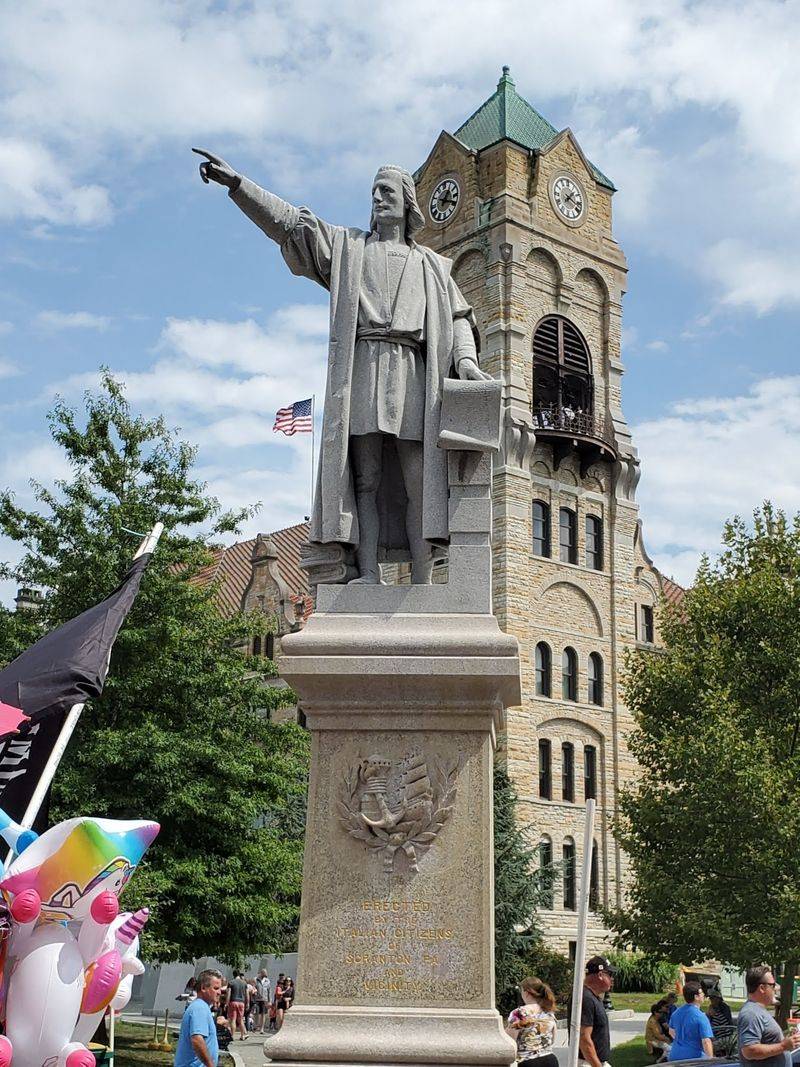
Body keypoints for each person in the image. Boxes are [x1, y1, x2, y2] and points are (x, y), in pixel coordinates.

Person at [194, 149, 490, 586]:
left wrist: (465, 360)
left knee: (419, 480)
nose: (377, 198)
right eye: (373, 192)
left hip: (413, 375)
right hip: (363, 369)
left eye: (386, 191)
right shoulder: (349, 249)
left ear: (407, 202)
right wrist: (239, 186)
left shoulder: (434, 266)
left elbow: (460, 316)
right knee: (364, 479)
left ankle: (423, 580)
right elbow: (292, 225)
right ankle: (367, 574)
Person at [738, 965, 800, 1067]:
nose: (776, 989)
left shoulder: (759, 1010)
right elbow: (749, 1051)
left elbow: (768, 1041)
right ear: (762, 988)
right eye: (773, 985)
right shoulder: (750, 1013)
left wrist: (787, 1039)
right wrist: (783, 1045)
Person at [174, 968, 223, 1067]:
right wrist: (210, 1065)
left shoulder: (202, 1007)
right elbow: (197, 1039)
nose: (219, 993)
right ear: (203, 988)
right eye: (216, 988)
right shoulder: (199, 1008)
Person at [506, 977, 558, 1067]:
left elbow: (510, 1041)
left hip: (528, 1061)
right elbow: (553, 1039)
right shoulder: (549, 1011)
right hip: (550, 1060)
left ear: (526, 993)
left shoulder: (519, 1013)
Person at [575, 955, 615, 1067]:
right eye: (610, 974)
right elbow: (584, 1038)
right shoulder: (585, 998)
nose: (612, 979)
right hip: (588, 1063)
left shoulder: (592, 997)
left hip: (595, 1062)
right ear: (600, 975)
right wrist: (597, 1065)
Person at [667, 981, 713, 1060]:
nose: (704, 995)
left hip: (674, 1056)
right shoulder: (700, 1016)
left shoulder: (676, 1013)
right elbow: (706, 1041)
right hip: (692, 1058)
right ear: (696, 997)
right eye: (701, 993)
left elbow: (671, 1032)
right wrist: (711, 1061)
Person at [227, 969, 250, 1042]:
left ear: (233, 975)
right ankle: (243, 1035)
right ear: (239, 974)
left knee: (233, 1019)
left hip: (233, 1001)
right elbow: (247, 994)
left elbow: (229, 993)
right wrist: (248, 1003)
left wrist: (227, 1003)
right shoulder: (244, 983)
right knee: (240, 1019)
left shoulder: (231, 982)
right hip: (241, 1003)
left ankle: (232, 1036)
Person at [255, 969, 271, 1034]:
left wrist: (270, 1001)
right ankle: (256, 1025)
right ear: (261, 973)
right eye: (265, 972)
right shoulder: (256, 980)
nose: (266, 974)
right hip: (257, 999)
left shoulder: (268, 981)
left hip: (265, 999)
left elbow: (269, 991)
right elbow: (254, 988)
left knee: (263, 1014)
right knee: (256, 1013)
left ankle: (262, 1028)